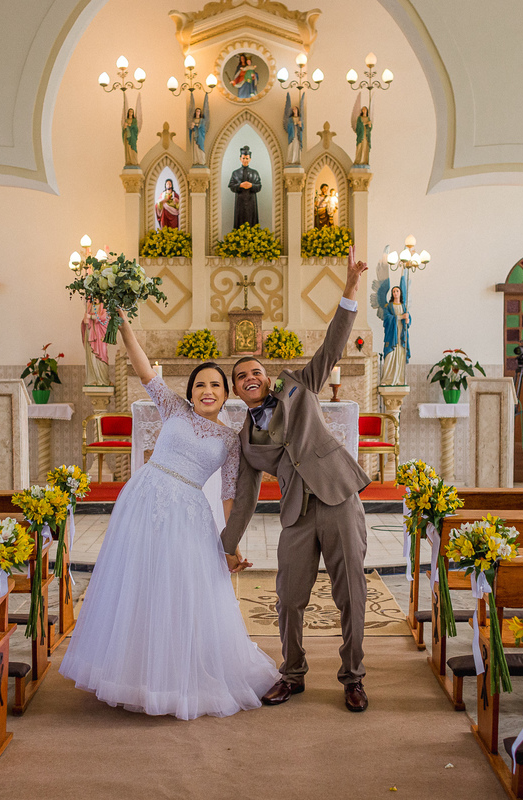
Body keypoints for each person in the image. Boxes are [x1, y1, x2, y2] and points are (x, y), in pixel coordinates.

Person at [60, 313, 279, 720]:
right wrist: (124, 324)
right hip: (144, 501)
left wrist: (230, 547)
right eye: (200, 385)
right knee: (139, 583)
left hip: (189, 513)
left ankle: (175, 676)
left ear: (227, 393)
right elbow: (143, 368)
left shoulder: (231, 441)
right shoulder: (173, 408)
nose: (207, 390)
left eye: (215, 384)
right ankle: (131, 672)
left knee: (179, 587)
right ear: (190, 392)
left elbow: (230, 497)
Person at [223, 246, 372, 712]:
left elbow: (332, 345)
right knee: (288, 597)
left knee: (352, 592)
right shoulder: (244, 441)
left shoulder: (298, 385)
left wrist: (349, 290)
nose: (251, 377)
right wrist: (227, 544)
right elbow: (244, 498)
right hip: (296, 514)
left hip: (338, 496)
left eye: (256, 371)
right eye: (241, 375)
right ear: (235, 389)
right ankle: (292, 673)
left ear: (268, 379)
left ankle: (352, 676)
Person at [380, 283, 410, 386]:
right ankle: (387, 380)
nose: (395, 293)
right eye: (394, 291)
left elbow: (408, 322)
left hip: (401, 335)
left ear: (400, 293)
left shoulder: (404, 306)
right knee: (390, 357)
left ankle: (400, 379)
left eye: (397, 291)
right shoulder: (389, 306)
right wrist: (399, 317)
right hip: (392, 335)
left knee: (400, 357)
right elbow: (386, 318)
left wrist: (407, 319)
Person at [228, 146, 262, 230]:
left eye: (247, 158)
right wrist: (240, 185)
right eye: (243, 158)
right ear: (240, 158)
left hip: (251, 201)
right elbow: (231, 186)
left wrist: (251, 185)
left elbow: (259, 186)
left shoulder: (255, 173)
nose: (245, 160)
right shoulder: (235, 173)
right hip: (240, 201)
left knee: (252, 220)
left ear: (250, 159)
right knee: (240, 220)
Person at [82, 299, 111, 386]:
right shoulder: (90, 305)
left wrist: (90, 317)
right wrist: (86, 320)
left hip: (99, 335)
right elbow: (85, 320)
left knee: (101, 355)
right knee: (91, 356)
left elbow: (104, 317)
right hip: (90, 332)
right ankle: (92, 379)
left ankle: (103, 380)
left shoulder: (104, 305)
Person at [122, 93, 142, 167]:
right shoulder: (126, 120)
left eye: (132, 112)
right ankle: (129, 161)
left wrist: (130, 125)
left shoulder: (134, 120)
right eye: (130, 112)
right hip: (127, 136)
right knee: (128, 149)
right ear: (128, 113)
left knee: (133, 148)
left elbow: (136, 128)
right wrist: (125, 127)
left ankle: (134, 161)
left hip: (132, 137)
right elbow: (124, 129)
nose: (131, 113)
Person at [351, 98, 372, 165]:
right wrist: (364, 124)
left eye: (365, 109)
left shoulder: (368, 118)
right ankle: (358, 161)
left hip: (366, 135)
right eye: (363, 109)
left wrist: (369, 125)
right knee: (360, 147)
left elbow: (370, 129)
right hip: (361, 136)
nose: (364, 110)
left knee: (365, 148)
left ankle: (365, 161)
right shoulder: (359, 118)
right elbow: (358, 127)